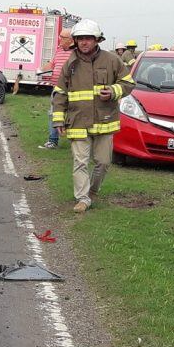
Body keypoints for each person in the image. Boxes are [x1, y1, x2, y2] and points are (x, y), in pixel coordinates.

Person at [52, 19, 135, 212]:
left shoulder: (112, 60)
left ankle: (93, 191)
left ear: (97, 40)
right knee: (80, 162)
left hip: (104, 121)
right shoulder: (70, 64)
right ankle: (82, 198)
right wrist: (58, 119)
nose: (84, 42)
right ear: (75, 40)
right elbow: (60, 94)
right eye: (80, 38)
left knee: (103, 162)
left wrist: (114, 91)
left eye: (88, 38)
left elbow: (129, 83)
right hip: (77, 120)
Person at [41, 28, 74, 149]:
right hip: (56, 89)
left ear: (70, 40)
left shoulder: (76, 52)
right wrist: (41, 70)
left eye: (63, 37)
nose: (59, 39)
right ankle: (53, 140)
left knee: (71, 115)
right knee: (53, 114)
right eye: (60, 36)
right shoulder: (59, 50)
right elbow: (52, 64)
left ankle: (76, 141)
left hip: (70, 90)